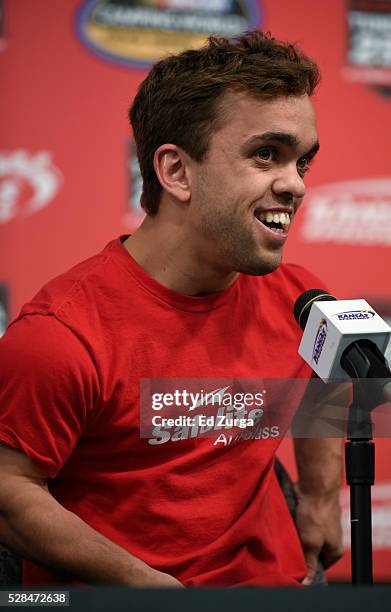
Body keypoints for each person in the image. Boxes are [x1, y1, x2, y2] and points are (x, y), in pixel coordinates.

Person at [0, 30, 344, 587]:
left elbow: (332, 376)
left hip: (281, 591)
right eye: (266, 155)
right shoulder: (59, 337)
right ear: (176, 172)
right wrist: (150, 591)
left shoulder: (302, 300)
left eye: (301, 162)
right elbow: (8, 492)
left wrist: (320, 495)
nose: (295, 185)